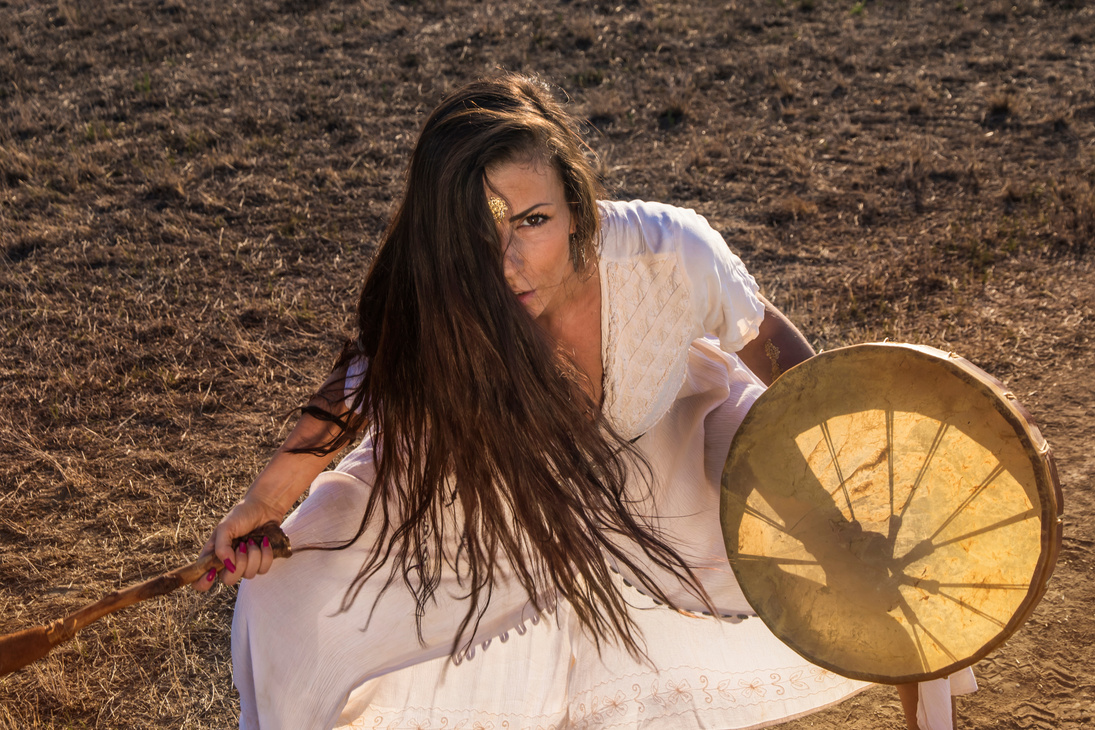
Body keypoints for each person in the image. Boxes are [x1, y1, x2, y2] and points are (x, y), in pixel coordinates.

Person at [194, 73, 974, 729]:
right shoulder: (444, 290)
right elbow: (362, 383)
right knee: (292, 589)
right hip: (493, 486)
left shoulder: (670, 252)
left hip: (666, 460)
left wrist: (844, 468)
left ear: (577, 207)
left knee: (853, 547)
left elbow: (762, 336)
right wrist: (265, 504)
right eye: (477, 233)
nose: (506, 261)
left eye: (534, 221)